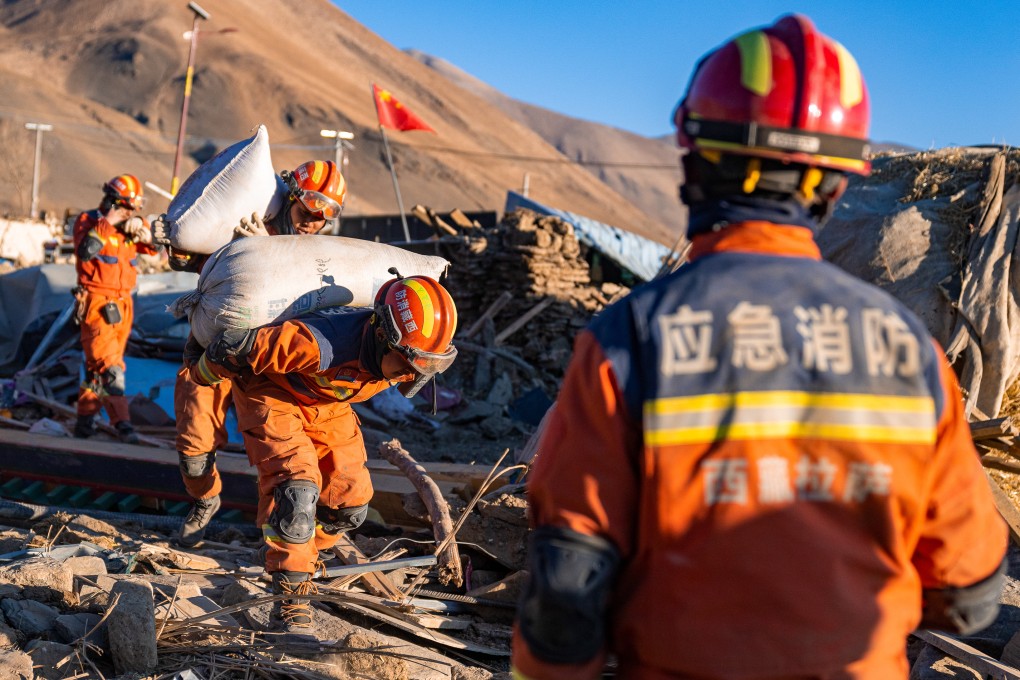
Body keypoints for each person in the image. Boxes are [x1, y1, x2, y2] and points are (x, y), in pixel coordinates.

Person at [511, 14, 1008, 680]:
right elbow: (970, 595)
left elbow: (566, 594)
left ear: (697, 157)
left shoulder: (631, 340)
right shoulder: (910, 353)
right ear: (837, 184)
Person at [189, 273, 458, 631]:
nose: (411, 377)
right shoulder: (317, 343)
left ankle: (292, 556)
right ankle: (290, 598)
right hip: (272, 391)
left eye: (423, 369)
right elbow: (240, 349)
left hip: (327, 404)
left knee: (348, 504)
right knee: (296, 489)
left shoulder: (392, 360)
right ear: (381, 337)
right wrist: (201, 369)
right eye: (407, 366)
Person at [154, 160, 347, 548]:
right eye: (306, 212)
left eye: (320, 219)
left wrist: (270, 252)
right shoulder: (241, 223)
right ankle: (205, 499)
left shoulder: (320, 257)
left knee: (277, 458)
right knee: (194, 446)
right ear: (290, 199)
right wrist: (176, 243)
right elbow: (194, 261)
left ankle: (272, 543)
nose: (311, 223)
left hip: (266, 365)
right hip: (211, 353)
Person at [72, 174, 157, 444]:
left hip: (124, 305)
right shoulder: (89, 222)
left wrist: (144, 229)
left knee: (95, 369)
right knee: (110, 368)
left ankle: (85, 422)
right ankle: (123, 424)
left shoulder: (129, 228)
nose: (132, 212)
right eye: (127, 207)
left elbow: (154, 249)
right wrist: (110, 221)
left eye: (135, 209)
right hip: (97, 303)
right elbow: (86, 251)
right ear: (113, 202)